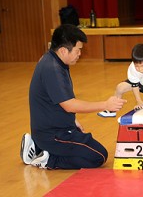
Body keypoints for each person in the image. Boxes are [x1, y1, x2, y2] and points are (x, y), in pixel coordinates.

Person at [20, 24, 126, 169]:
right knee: (98, 156)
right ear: (63, 50)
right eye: (78, 50)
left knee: (90, 150)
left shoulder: (52, 59)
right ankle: (47, 159)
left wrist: (73, 119)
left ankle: (38, 148)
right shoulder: (52, 69)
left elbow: (57, 99)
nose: (79, 54)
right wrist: (105, 105)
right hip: (53, 134)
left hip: (56, 128)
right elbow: (69, 105)